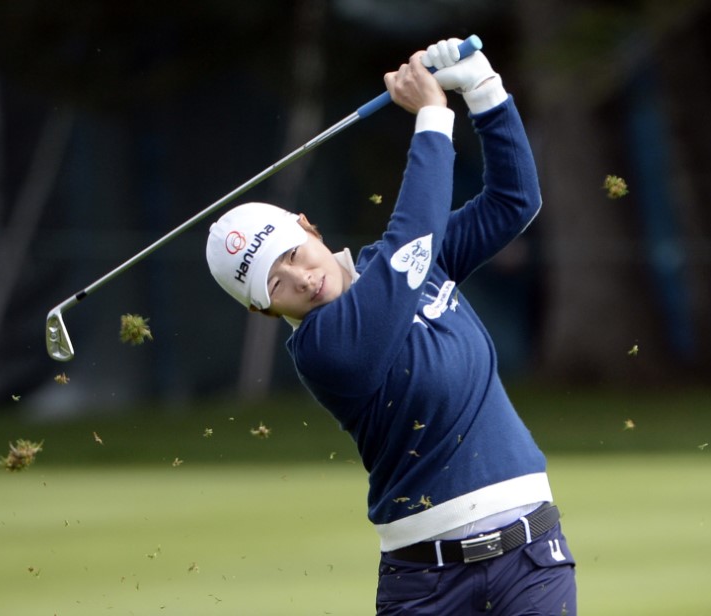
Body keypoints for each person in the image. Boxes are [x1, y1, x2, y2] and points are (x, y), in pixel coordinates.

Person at [206, 38, 577, 615]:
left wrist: (483, 89)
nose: (301, 278)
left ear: (309, 226)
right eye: (275, 283)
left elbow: (513, 201)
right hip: (425, 588)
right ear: (262, 310)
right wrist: (432, 118)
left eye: (293, 253)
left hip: (530, 558)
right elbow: (412, 245)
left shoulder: (409, 260)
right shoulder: (324, 350)